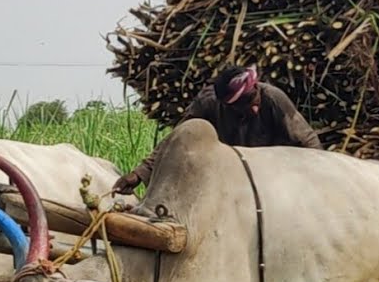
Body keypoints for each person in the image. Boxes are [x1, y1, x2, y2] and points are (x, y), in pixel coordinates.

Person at [112, 64, 323, 194]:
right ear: (227, 104)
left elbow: (307, 140)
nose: (255, 104)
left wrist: (320, 183)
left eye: (255, 95)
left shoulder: (273, 99)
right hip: (229, 178)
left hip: (274, 178)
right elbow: (176, 141)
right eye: (247, 102)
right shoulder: (208, 104)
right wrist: (139, 174)